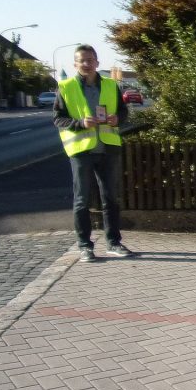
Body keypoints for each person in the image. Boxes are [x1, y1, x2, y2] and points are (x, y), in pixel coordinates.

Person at [53, 44, 132, 263]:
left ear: (97, 62)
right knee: (82, 200)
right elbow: (58, 119)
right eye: (82, 61)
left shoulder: (110, 85)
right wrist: (79, 123)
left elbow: (123, 112)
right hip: (81, 151)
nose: (87, 64)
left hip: (108, 148)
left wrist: (119, 119)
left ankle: (113, 242)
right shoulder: (66, 86)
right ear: (75, 64)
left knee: (111, 199)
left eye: (91, 60)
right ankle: (85, 246)